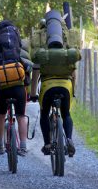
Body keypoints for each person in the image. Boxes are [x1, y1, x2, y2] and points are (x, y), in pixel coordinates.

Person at [29, 10, 81, 157]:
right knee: (66, 114)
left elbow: (36, 71)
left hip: (47, 87)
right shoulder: (68, 46)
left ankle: (47, 143)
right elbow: (73, 72)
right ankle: (69, 139)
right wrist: (74, 91)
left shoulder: (41, 45)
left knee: (44, 114)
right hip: (65, 86)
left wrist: (33, 93)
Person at [0, 20, 31, 156]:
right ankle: (23, 146)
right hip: (19, 90)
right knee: (21, 116)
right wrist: (28, 92)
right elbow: (28, 75)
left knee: (1, 115)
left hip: (3, 91)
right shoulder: (21, 54)